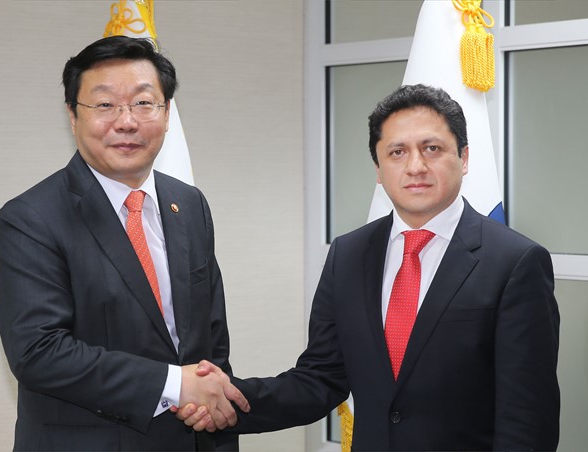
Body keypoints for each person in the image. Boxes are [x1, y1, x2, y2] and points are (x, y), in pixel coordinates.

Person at [177, 84, 560, 451]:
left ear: (463, 158)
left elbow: (526, 419)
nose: (415, 166)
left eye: (432, 148)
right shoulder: (349, 254)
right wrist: (225, 401)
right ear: (378, 168)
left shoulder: (516, 262)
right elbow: (321, 378)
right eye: (397, 152)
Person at [0, 35, 248, 452]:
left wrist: (211, 404)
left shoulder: (189, 203)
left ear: (167, 113)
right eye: (105, 104)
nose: (126, 122)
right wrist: (173, 384)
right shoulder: (30, 218)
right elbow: (39, 352)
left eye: (144, 103)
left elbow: (211, 334)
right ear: (72, 115)